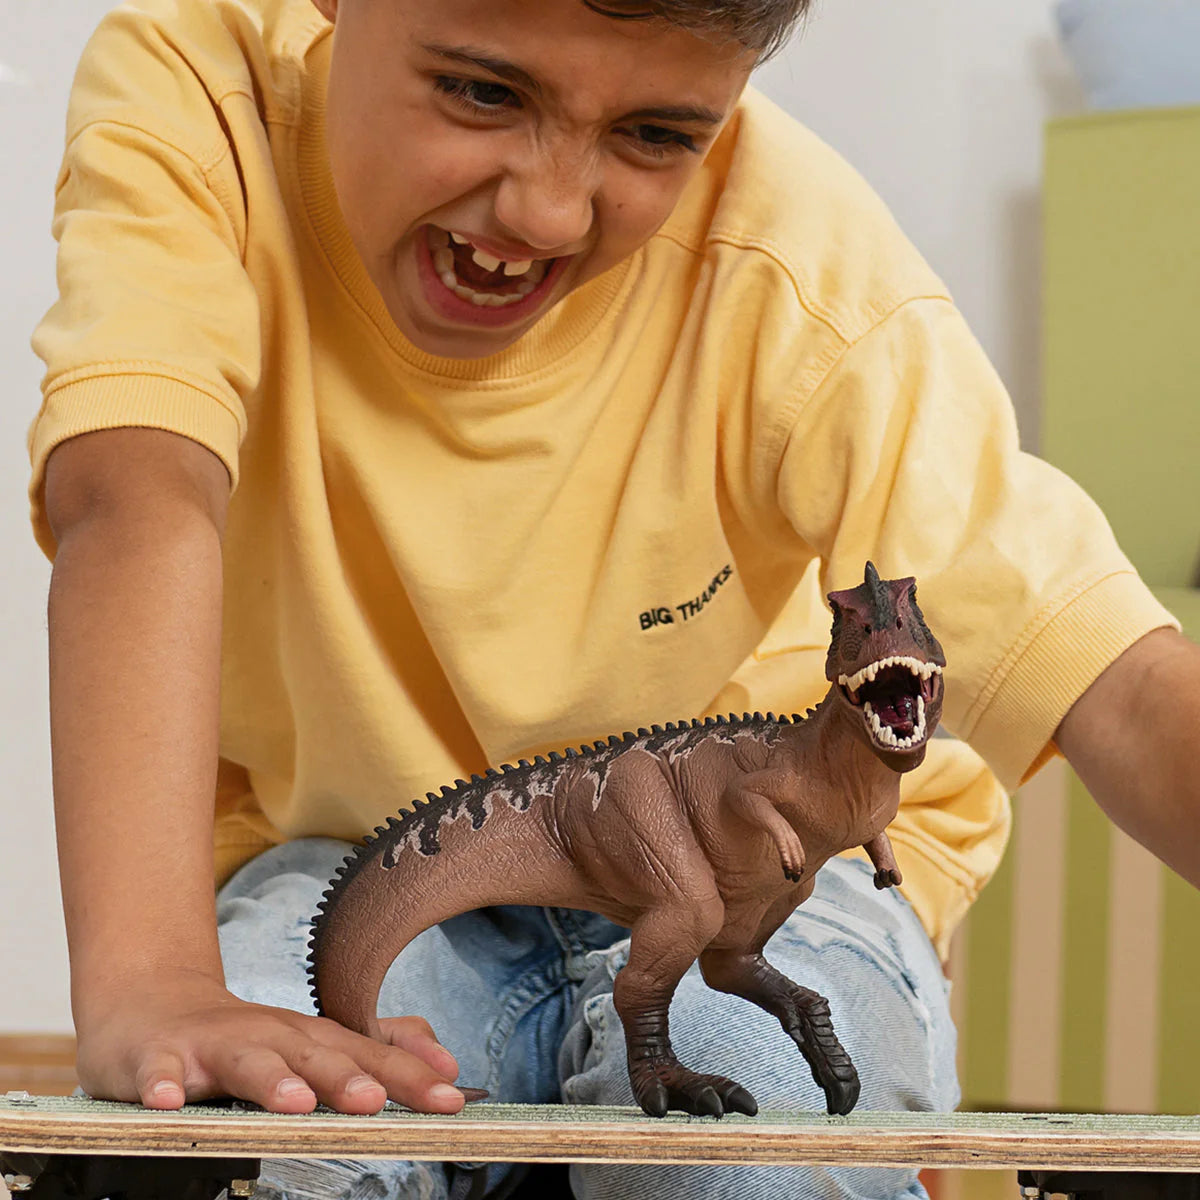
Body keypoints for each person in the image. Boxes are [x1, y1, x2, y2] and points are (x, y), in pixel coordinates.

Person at [27, 0, 1199, 1197]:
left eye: (653, 134)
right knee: (291, 1156)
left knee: (756, 1159)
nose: (547, 209)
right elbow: (136, 493)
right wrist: (150, 979)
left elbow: (1122, 681)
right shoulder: (202, 96)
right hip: (343, 842)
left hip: (779, 877)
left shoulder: (805, 267)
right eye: (483, 93)